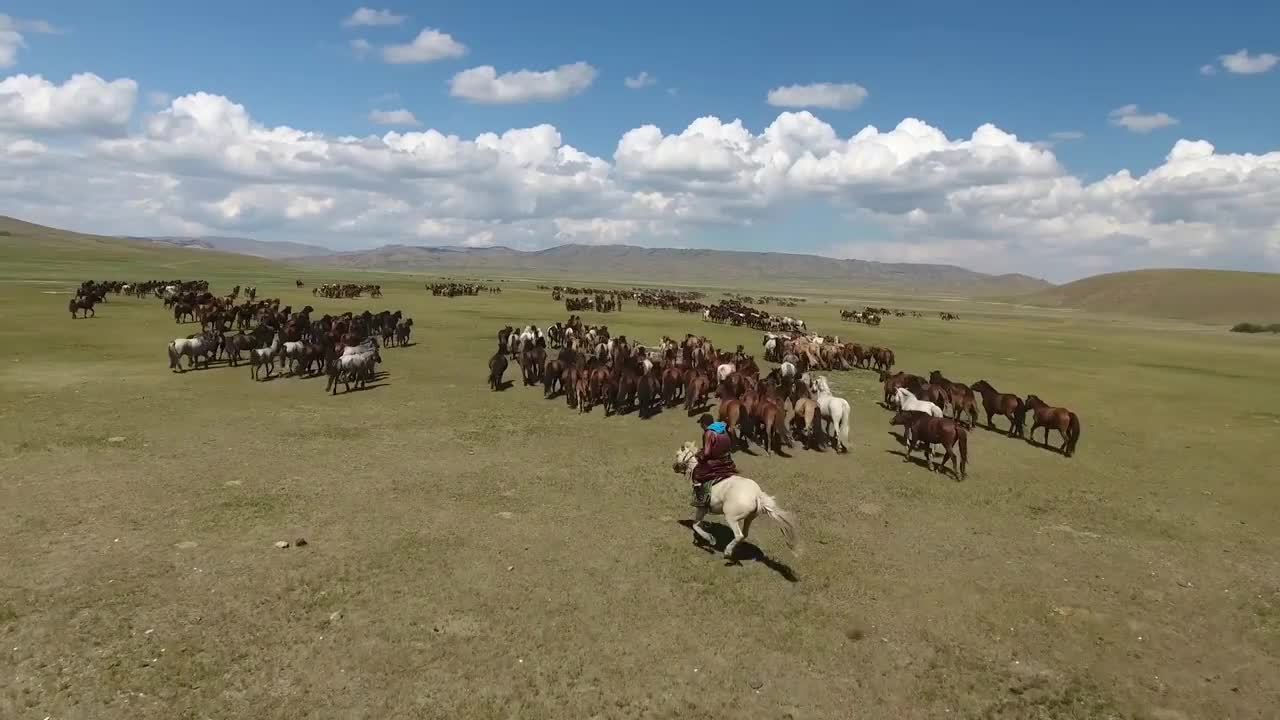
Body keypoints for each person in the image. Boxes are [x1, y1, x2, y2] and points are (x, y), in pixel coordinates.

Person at [690, 414, 738, 508]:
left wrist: (699, 455)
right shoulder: (722, 428)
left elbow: (707, 453)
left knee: (696, 473)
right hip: (728, 460)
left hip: (716, 463)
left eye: (701, 424)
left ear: (704, 424)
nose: (700, 426)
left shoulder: (709, 433)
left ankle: (701, 499)